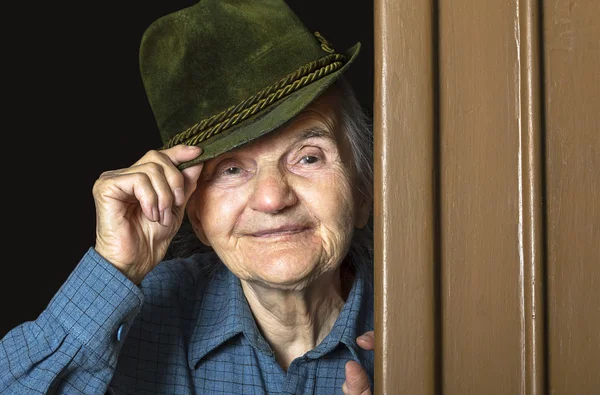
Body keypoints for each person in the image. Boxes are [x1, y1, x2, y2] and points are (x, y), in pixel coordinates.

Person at [0, 1, 374, 394]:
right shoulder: (144, 314)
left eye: (308, 157)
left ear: (363, 190)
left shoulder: (427, 322)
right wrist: (114, 269)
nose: (270, 198)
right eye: (231, 169)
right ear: (196, 215)